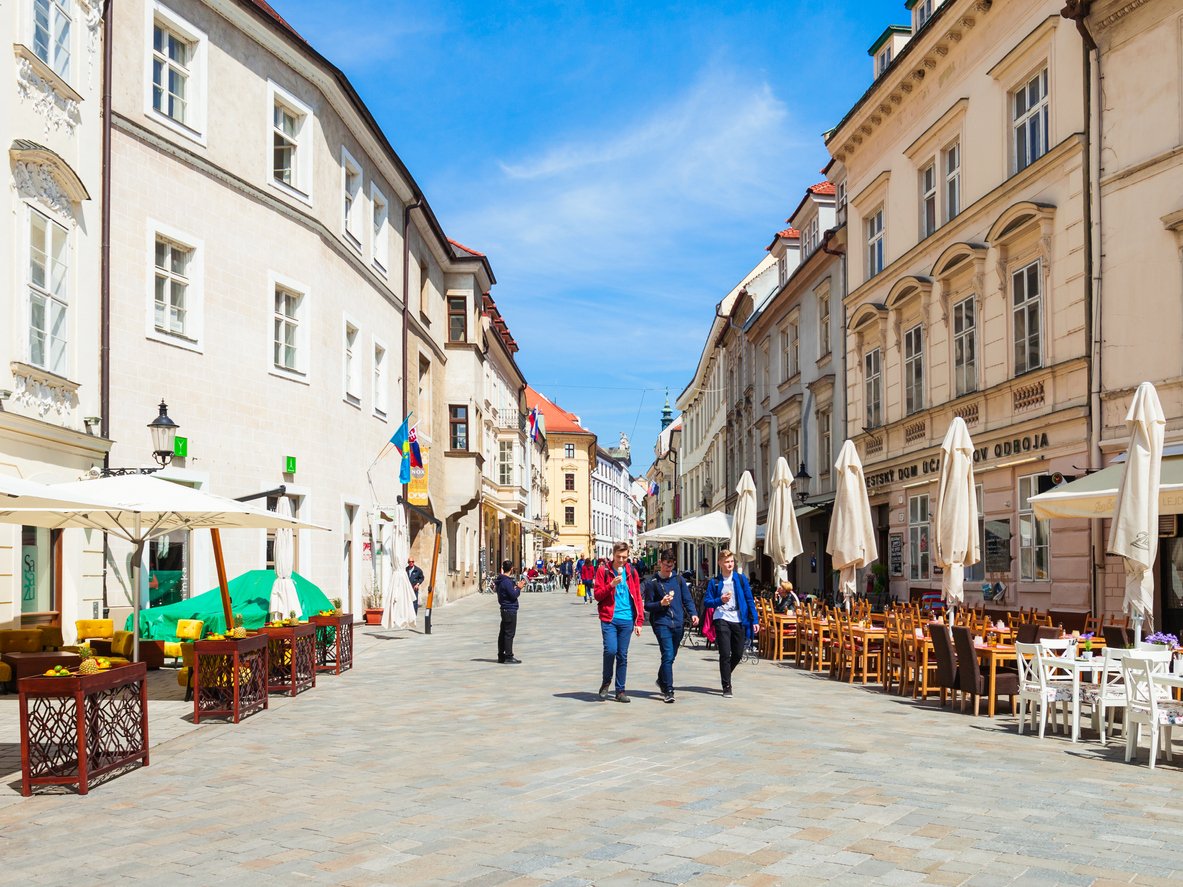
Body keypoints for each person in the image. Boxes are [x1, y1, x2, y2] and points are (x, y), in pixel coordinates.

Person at [642, 549, 699, 703]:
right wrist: (661, 604)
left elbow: (687, 599)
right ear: (660, 563)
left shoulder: (679, 580)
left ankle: (661, 679)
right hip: (661, 623)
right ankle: (669, 690)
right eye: (666, 566)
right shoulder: (652, 583)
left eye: (671, 566)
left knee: (671, 656)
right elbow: (647, 605)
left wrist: (693, 613)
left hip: (678, 623)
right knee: (667, 654)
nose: (669, 569)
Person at [703, 550, 758, 697]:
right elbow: (707, 602)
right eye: (727, 562)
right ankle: (726, 685)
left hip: (739, 619)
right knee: (725, 653)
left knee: (738, 653)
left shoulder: (740, 579)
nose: (730, 564)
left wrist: (755, 619)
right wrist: (720, 600)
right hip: (721, 618)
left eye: (732, 561)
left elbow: (749, 599)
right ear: (720, 563)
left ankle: (725, 672)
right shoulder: (714, 582)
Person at [593, 542, 644, 702]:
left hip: (627, 619)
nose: (621, 560)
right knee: (610, 650)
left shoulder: (632, 572)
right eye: (618, 557)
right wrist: (611, 585)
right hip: (609, 618)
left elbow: (637, 596)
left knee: (622, 655)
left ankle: (620, 690)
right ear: (613, 555)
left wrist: (639, 621)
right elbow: (597, 595)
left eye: (624, 557)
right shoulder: (604, 571)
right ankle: (606, 682)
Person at [495, 559, 524, 664]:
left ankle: (501, 655)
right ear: (511, 569)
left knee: (503, 633)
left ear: (502, 568)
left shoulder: (500, 580)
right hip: (510, 609)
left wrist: (515, 588)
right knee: (509, 634)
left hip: (504, 608)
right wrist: (519, 588)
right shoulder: (506, 581)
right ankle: (508, 656)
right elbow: (513, 595)